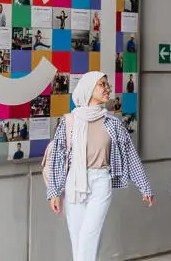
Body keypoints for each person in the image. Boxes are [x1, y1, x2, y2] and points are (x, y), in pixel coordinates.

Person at [45, 71, 153, 261]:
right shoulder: (69, 121)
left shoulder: (112, 123)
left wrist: (144, 186)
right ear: (89, 89)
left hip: (101, 181)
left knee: (89, 235)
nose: (107, 88)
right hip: (74, 183)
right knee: (77, 238)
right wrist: (54, 191)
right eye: (102, 84)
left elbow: (130, 154)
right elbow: (57, 158)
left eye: (107, 84)